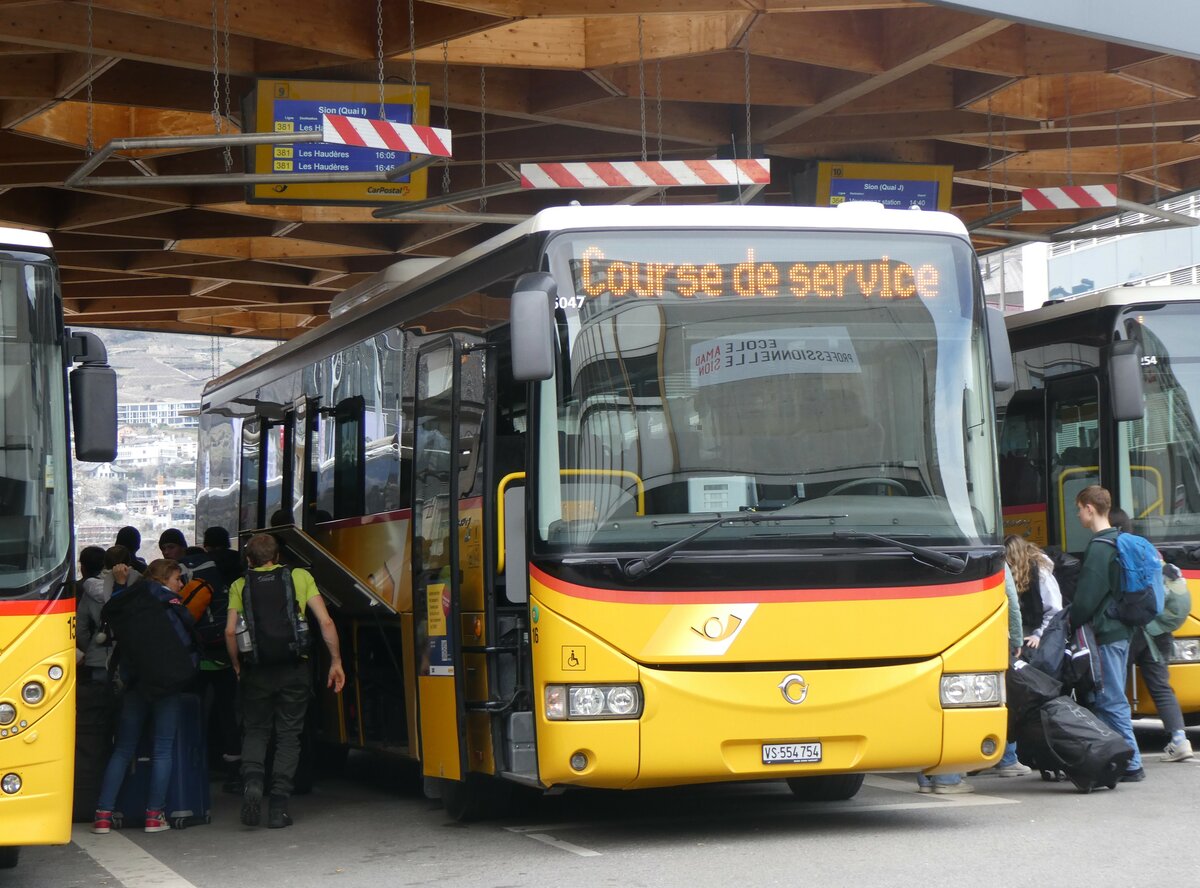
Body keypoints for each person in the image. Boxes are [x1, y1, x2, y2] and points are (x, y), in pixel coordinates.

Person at [225, 533, 345, 828]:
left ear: (249, 560)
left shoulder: (240, 585)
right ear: (277, 557)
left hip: (257, 670)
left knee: (255, 731)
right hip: (294, 668)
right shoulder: (300, 577)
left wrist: (237, 666)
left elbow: (230, 632)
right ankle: (278, 807)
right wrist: (336, 662)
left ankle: (253, 783)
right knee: (289, 736)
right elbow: (325, 622)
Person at [92, 559, 198, 834]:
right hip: (167, 684)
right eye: (177, 579)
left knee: (123, 748)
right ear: (164, 579)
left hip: (135, 682)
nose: (181, 585)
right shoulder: (171, 605)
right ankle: (154, 815)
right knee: (162, 749)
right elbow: (188, 641)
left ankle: (103, 815)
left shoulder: (130, 600)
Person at [1071, 485, 1144, 781]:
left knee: (1111, 699)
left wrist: (1071, 620)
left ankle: (1133, 763)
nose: (1078, 515)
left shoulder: (1101, 547)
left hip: (1108, 633)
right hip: (1123, 629)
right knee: (1110, 697)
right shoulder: (1120, 540)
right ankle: (1115, 759)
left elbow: (1087, 598)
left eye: (1078, 509)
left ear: (1090, 508)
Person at [1110, 508, 1194, 762]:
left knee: (1115, 685)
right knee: (1160, 686)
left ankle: (1120, 744)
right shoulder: (1151, 551)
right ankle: (1180, 740)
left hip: (1133, 630)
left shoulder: (1118, 551)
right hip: (1159, 632)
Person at [1004, 535, 1064, 651]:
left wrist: (1039, 634)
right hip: (1029, 629)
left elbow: (1055, 610)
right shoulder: (1020, 573)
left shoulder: (1040, 573)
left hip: (1039, 632)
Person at [75, 546, 109, 684]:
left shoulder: (74, 589)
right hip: (123, 656)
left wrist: (86, 649)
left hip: (93, 655)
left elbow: (80, 628)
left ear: (83, 567)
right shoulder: (127, 586)